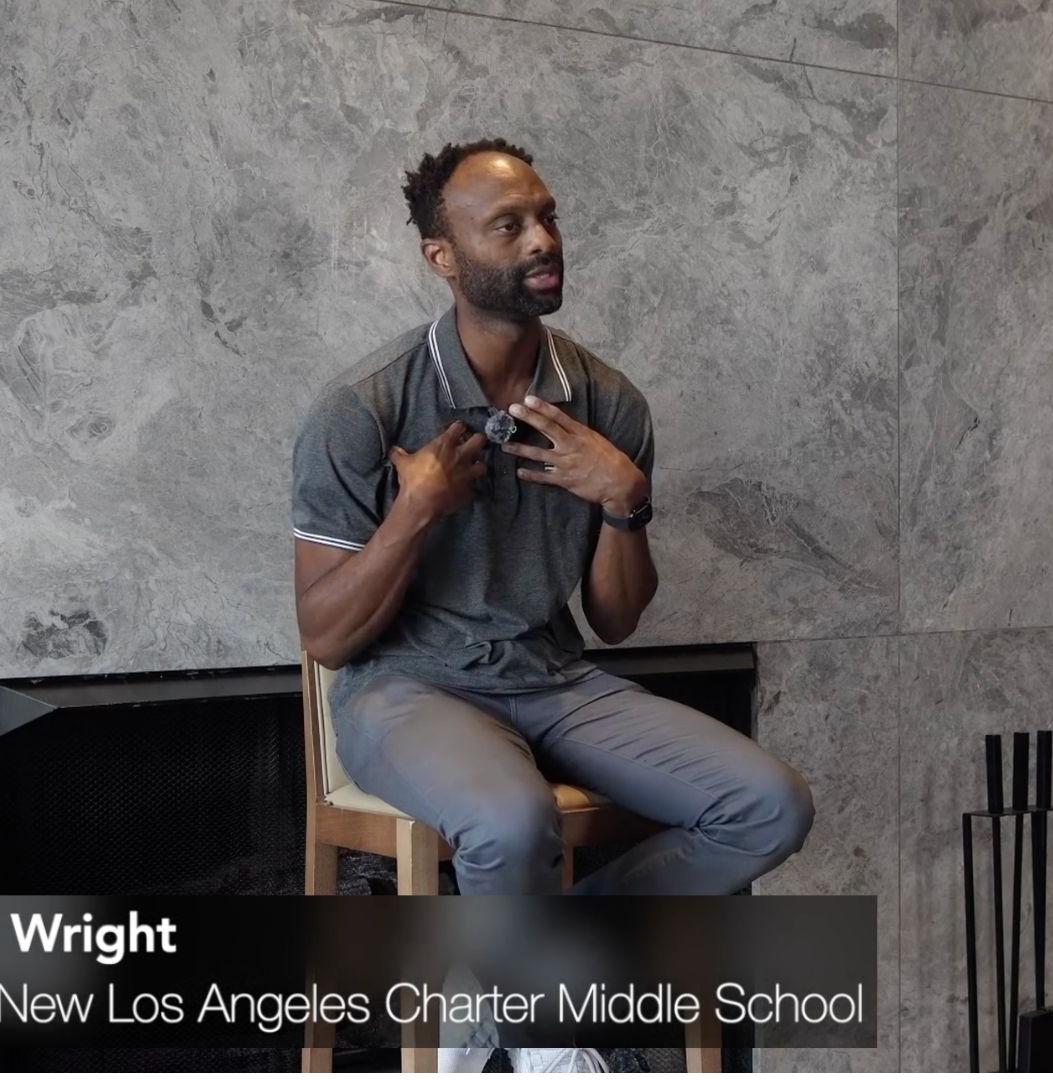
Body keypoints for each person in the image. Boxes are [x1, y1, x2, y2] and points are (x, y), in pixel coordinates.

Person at [290, 138, 816, 1072]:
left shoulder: (609, 403)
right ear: (443, 256)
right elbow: (326, 635)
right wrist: (413, 512)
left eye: (548, 217)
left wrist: (625, 502)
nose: (543, 240)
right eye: (508, 226)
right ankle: (546, 1047)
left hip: (555, 679)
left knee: (769, 806)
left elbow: (615, 619)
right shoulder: (362, 408)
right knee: (510, 821)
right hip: (404, 689)